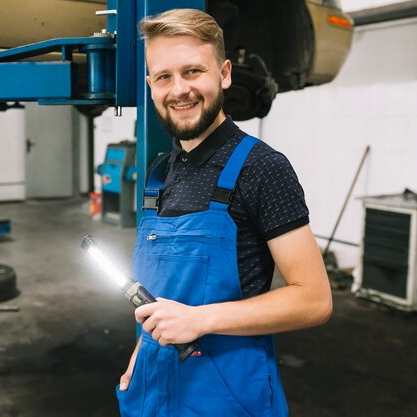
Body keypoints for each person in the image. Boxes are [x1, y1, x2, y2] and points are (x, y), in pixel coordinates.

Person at [115, 8, 333, 417]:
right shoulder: (159, 174)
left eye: (193, 71)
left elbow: (315, 300)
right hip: (153, 394)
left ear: (225, 73)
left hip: (225, 398)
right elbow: (157, 298)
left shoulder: (263, 168)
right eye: (163, 76)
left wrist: (200, 320)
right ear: (150, 85)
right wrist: (138, 356)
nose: (178, 89)